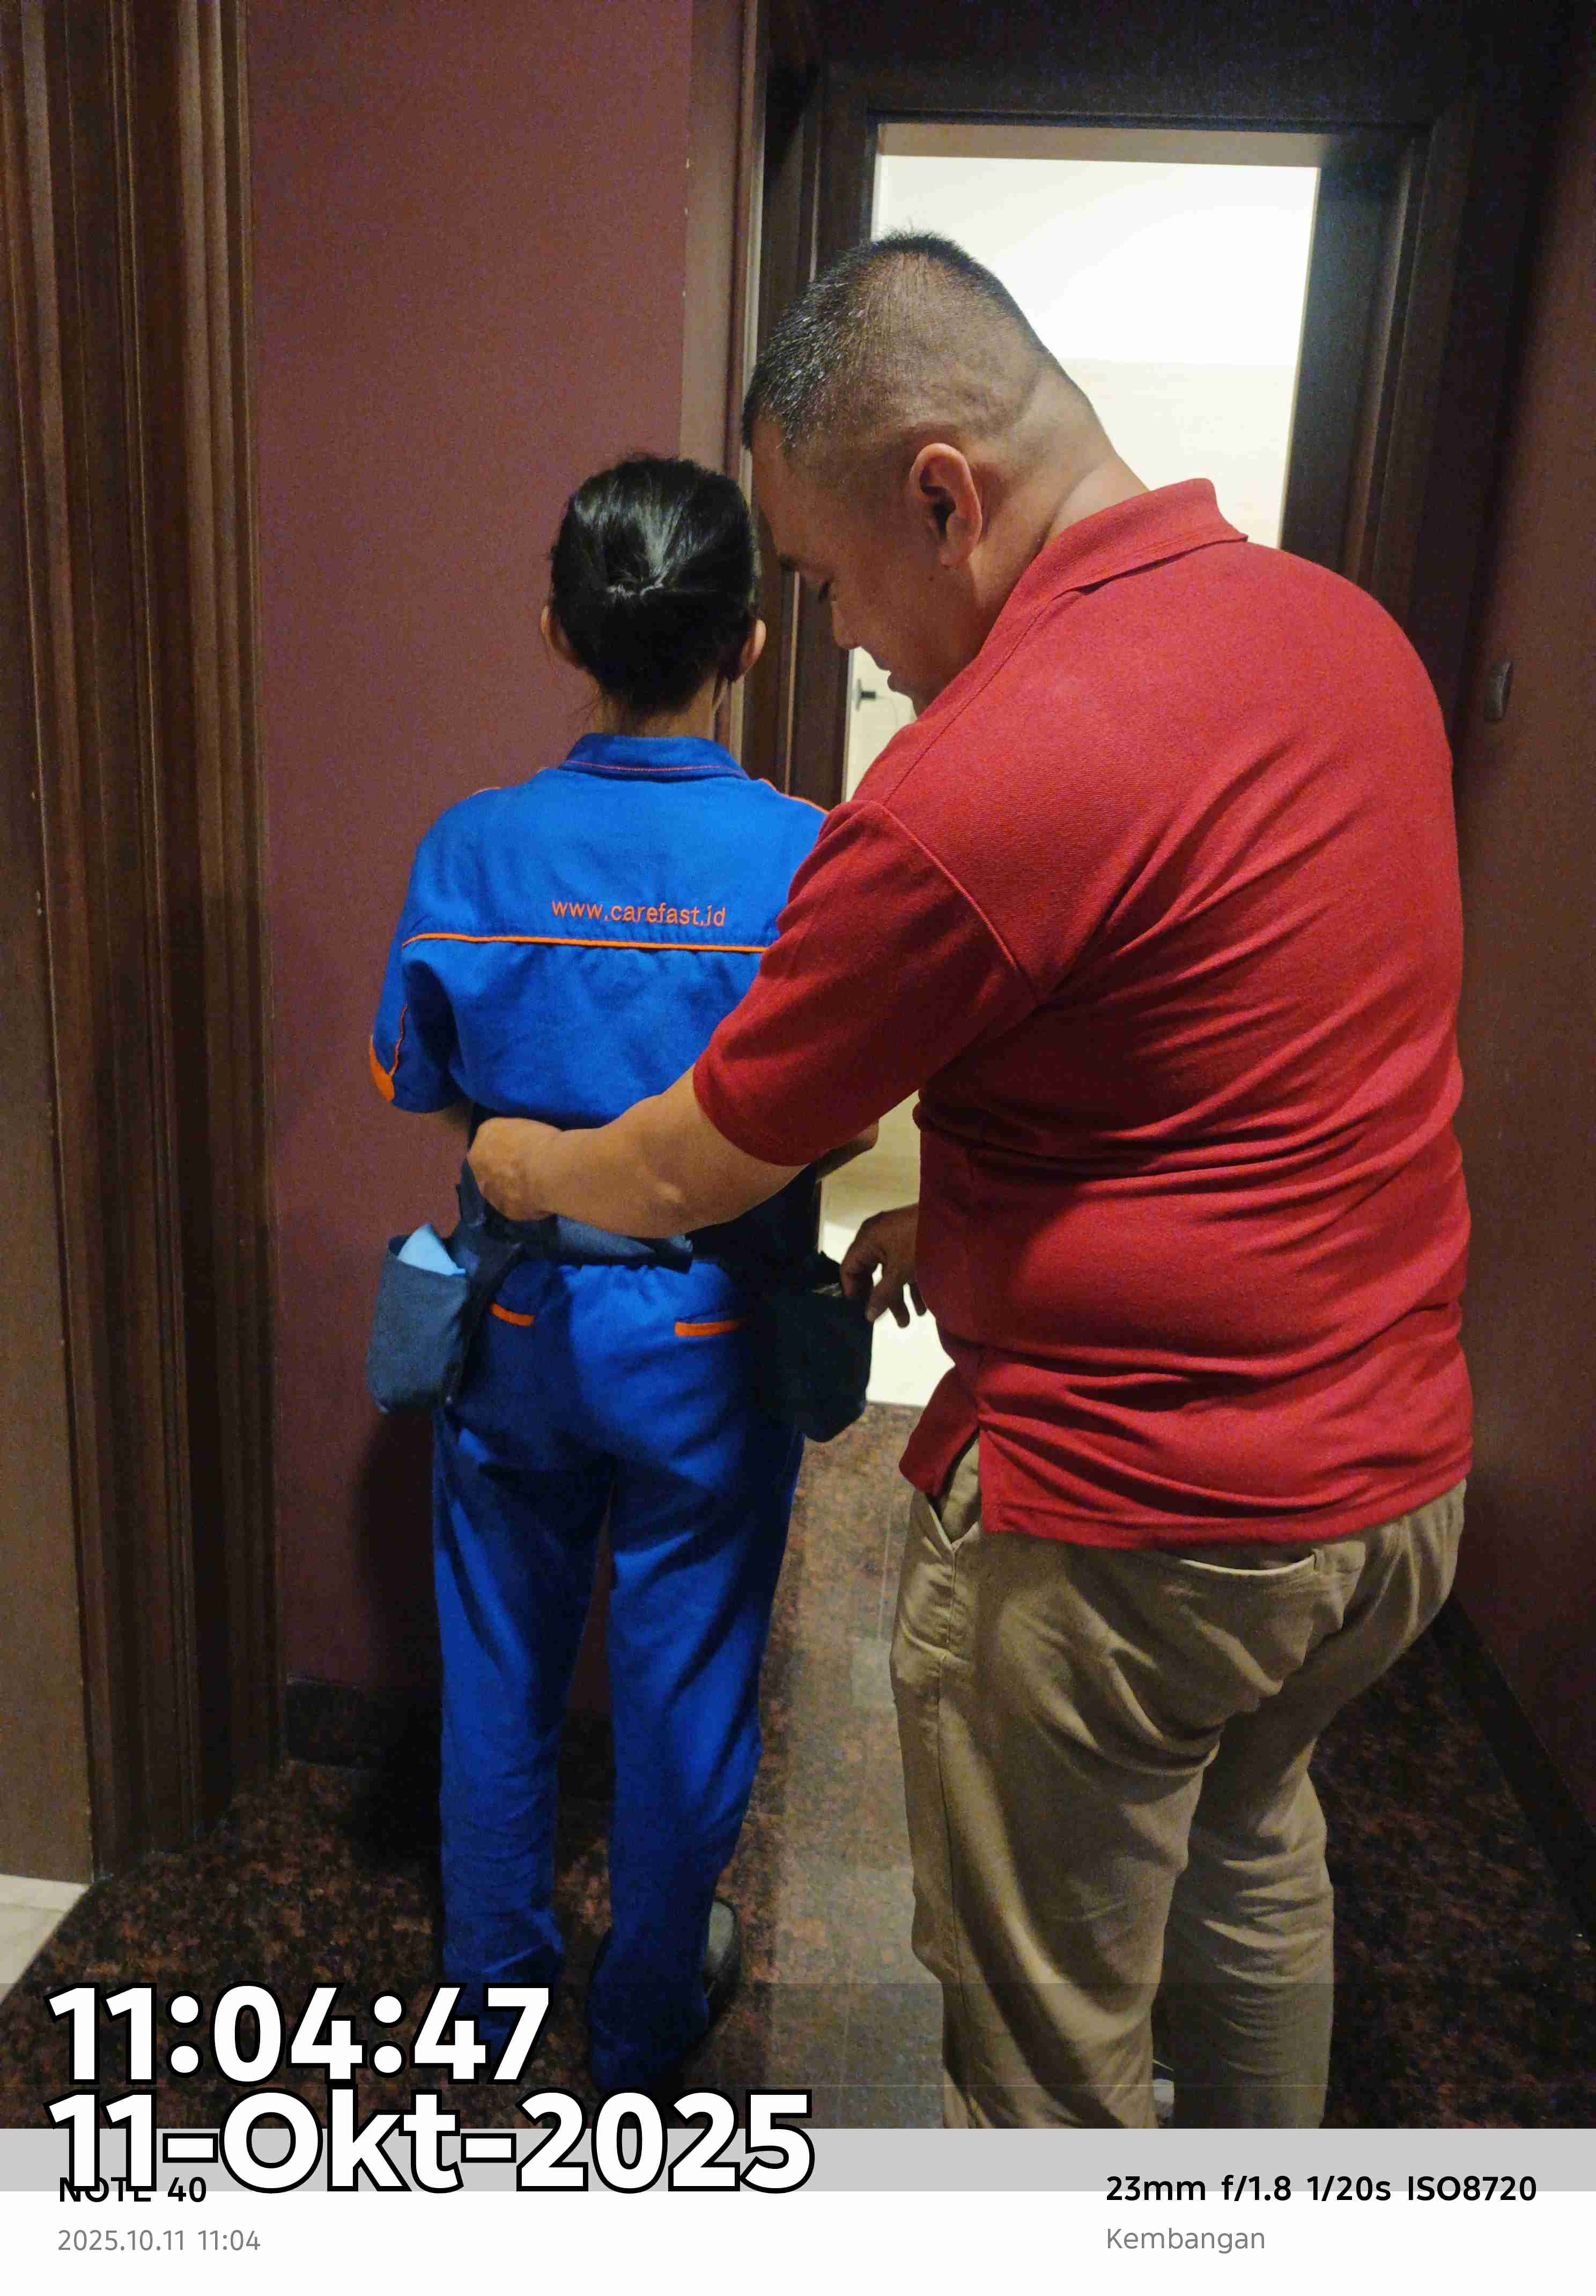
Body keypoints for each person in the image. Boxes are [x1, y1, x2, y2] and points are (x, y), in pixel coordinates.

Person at [467, 235, 1471, 2130]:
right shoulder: (1347, 636)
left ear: (945, 494)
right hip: (1391, 1490)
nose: (843, 635)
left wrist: (522, 1163)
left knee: (1046, 2055)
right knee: (1252, 1853)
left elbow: (690, 1163)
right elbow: (1235, 1046)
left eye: (833, 577)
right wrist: (978, 1215)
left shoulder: (975, 781)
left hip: (1144, 1528)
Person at [369, 453, 872, 2097]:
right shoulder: (816, 862)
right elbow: (839, 1120)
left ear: (557, 631)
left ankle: (491, 2004)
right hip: (714, 1341)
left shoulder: (472, 850)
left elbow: (422, 1081)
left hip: (518, 1318)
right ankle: (646, 2027)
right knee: (688, 1692)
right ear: (749, 644)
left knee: (498, 1672)